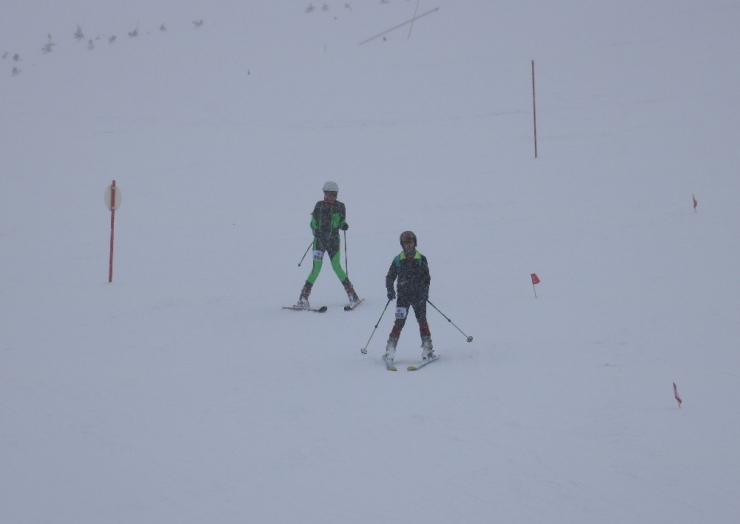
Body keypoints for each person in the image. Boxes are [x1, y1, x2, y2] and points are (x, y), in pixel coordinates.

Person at [296, 181, 360, 308]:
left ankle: (352, 294)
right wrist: (316, 230)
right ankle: (303, 297)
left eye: (334, 195)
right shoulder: (319, 206)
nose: (332, 198)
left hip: (334, 242)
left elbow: (342, 221)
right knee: (316, 269)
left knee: (337, 267)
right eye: (329, 195)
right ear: (324, 194)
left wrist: (344, 225)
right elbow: (313, 222)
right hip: (319, 242)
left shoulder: (340, 207)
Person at [384, 231, 434, 364]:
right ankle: (390, 350)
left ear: (415, 242)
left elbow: (426, 278)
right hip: (403, 297)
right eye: (405, 243)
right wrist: (390, 290)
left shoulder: (421, 259)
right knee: (399, 323)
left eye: (410, 242)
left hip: (418, 296)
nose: (408, 245)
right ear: (402, 245)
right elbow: (390, 277)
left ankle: (427, 349)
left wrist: (425, 292)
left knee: (422, 321)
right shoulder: (398, 260)